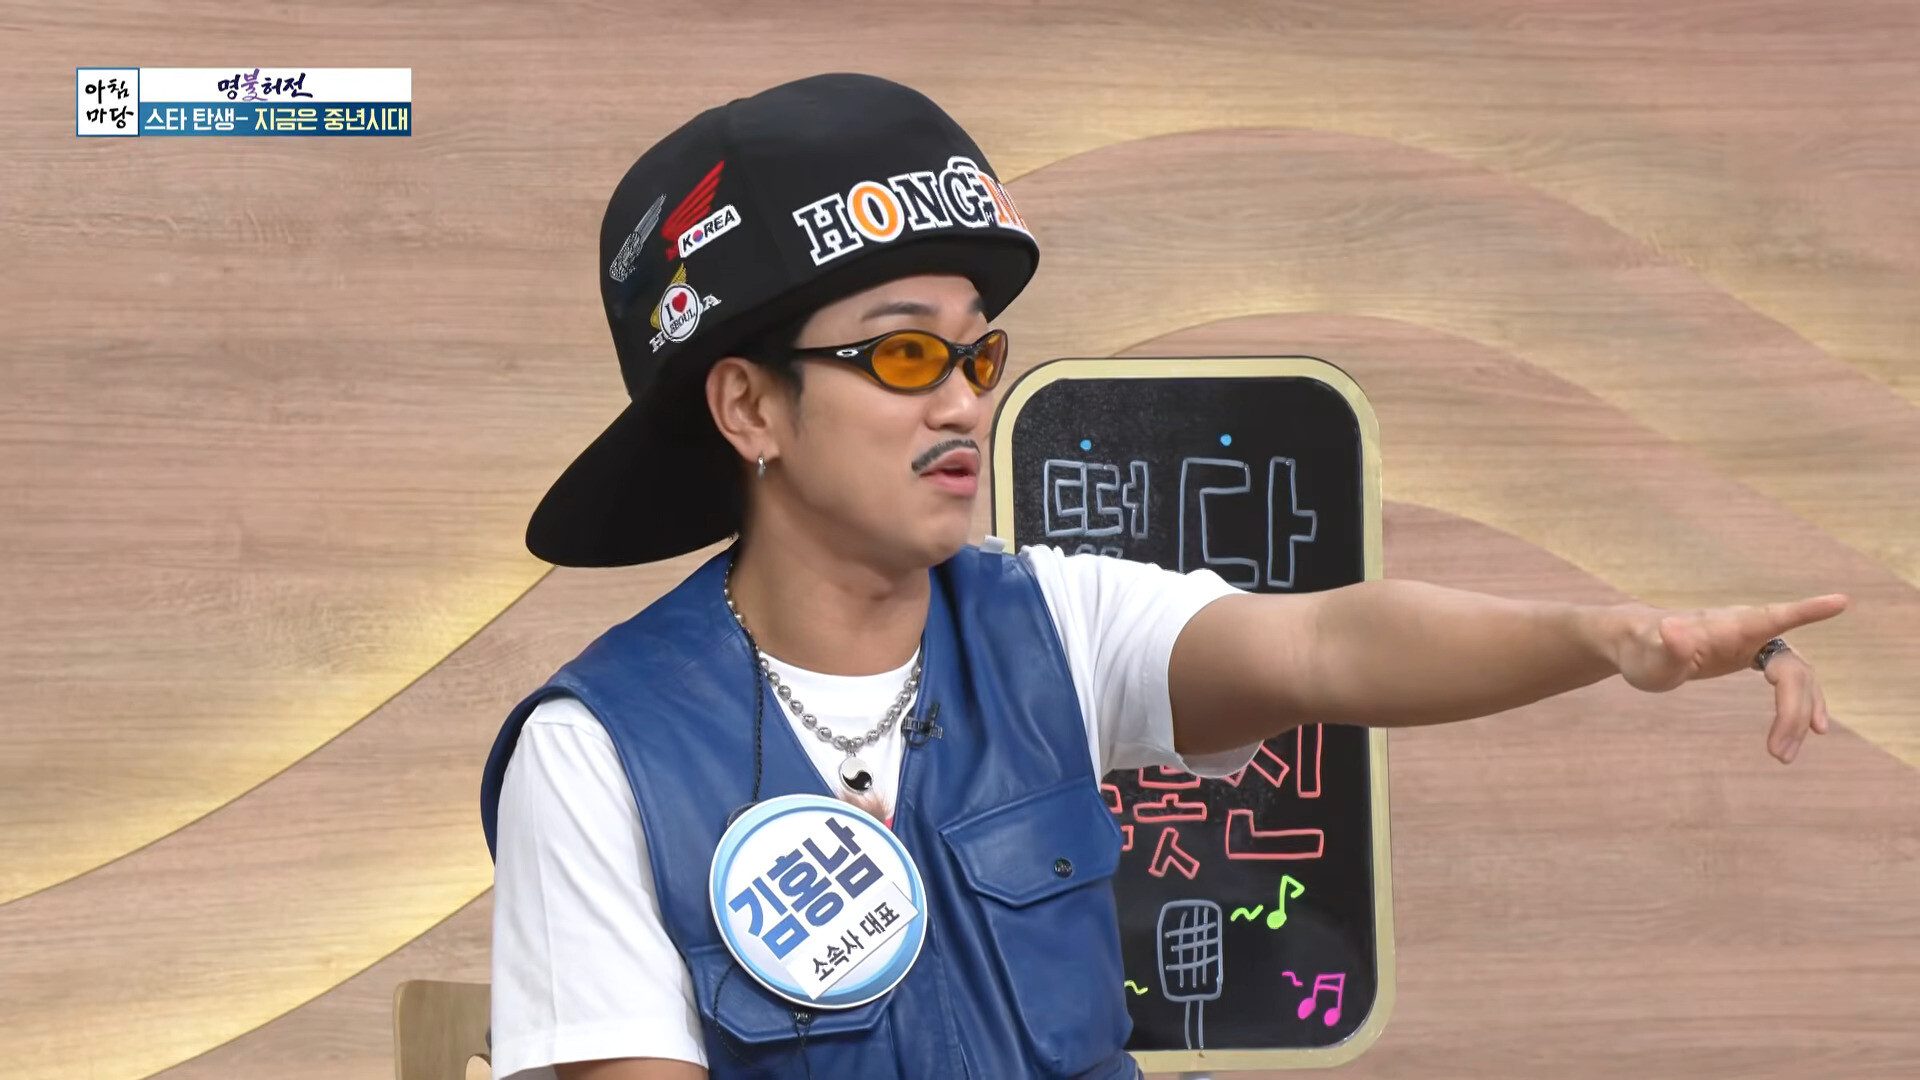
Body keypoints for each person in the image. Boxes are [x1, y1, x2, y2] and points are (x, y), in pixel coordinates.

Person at [477, 73, 1848, 1080]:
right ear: (748, 408)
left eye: (978, 353)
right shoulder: (596, 757)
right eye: (902, 354)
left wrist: (1606, 639)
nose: (961, 402)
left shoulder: (1051, 622)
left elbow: (1329, 649)